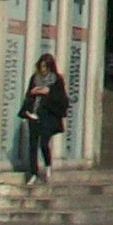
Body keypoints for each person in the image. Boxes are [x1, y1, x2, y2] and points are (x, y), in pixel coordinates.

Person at [19, 54, 69, 184]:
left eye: (45, 67)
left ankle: (48, 166)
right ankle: (33, 172)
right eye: (41, 66)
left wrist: (48, 93)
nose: (43, 70)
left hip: (48, 115)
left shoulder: (56, 80)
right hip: (34, 114)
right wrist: (33, 92)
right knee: (33, 145)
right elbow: (29, 95)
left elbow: (62, 99)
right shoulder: (34, 78)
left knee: (44, 143)